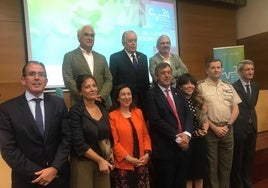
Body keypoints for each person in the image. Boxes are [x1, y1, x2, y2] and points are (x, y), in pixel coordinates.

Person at [0, 61, 70, 188]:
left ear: (46, 80)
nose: (37, 78)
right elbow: (8, 149)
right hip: (26, 180)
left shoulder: (59, 104)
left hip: (58, 177)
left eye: (41, 74)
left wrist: (54, 168)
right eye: (32, 74)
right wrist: (38, 174)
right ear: (23, 80)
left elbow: (66, 139)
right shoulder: (7, 109)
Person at [146, 62, 193, 188]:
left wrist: (187, 135)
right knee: (166, 183)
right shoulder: (151, 94)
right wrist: (178, 137)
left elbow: (188, 114)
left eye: (168, 72)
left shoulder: (178, 92)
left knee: (181, 183)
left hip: (183, 148)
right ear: (156, 76)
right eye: (162, 73)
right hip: (165, 150)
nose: (166, 76)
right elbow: (156, 120)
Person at [197, 58, 241, 188]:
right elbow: (200, 112)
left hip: (227, 129)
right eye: (212, 67)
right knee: (211, 165)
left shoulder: (228, 86)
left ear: (222, 69)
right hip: (210, 130)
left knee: (226, 165)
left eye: (218, 67)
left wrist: (228, 125)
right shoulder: (200, 87)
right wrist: (215, 127)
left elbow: (236, 109)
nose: (216, 70)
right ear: (207, 70)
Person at [69, 74, 114, 188]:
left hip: (103, 161)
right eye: (87, 87)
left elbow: (107, 135)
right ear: (80, 91)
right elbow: (78, 143)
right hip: (83, 162)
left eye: (94, 85)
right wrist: (99, 160)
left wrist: (110, 152)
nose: (92, 89)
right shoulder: (75, 110)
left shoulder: (103, 108)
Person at [109, 84, 152, 188]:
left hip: (141, 161)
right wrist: (128, 158)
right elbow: (114, 142)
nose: (127, 97)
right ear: (117, 98)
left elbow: (145, 135)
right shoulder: (112, 116)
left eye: (129, 94)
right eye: (123, 94)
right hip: (124, 164)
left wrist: (147, 153)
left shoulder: (138, 112)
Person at [62, 24, 113, 108]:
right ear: (79, 37)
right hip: (80, 104)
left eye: (92, 35)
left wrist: (101, 96)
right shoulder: (69, 56)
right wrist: (86, 96)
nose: (89, 38)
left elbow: (109, 79)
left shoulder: (102, 58)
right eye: (86, 35)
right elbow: (68, 80)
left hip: (101, 104)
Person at [177, 73, 209, 188]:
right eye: (186, 83)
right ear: (180, 86)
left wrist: (204, 130)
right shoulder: (177, 102)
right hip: (186, 142)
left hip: (200, 140)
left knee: (199, 173)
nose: (190, 86)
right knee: (188, 174)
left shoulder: (199, 101)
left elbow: (205, 120)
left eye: (192, 83)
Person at [230, 59, 259, 188]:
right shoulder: (233, 87)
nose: (250, 72)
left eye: (252, 69)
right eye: (247, 69)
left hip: (252, 127)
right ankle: (238, 184)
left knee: (249, 158)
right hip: (238, 128)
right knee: (238, 158)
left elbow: (252, 106)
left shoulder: (255, 86)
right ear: (240, 72)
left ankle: (247, 183)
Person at [109, 30, 150, 113]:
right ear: (123, 42)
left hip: (142, 102)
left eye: (135, 40)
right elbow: (113, 82)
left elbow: (146, 81)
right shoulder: (115, 58)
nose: (133, 43)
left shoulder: (143, 57)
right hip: (125, 101)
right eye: (130, 41)